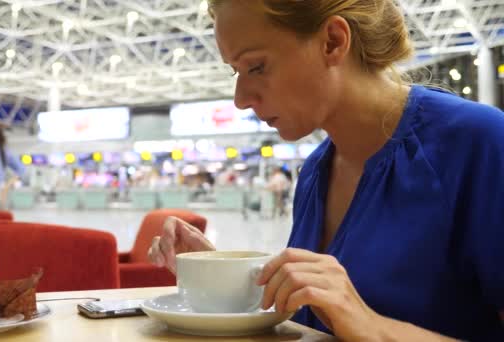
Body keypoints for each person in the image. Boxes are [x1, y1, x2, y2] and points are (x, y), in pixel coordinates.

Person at [148, 0, 504, 341]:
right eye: (236, 71)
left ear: (333, 41)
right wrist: (223, 277)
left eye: (256, 66)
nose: (240, 98)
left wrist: (373, 327)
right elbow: (319, 316)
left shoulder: (481, 144)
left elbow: (356, 315)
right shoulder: (318, 169)